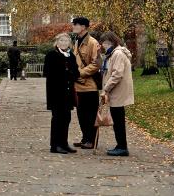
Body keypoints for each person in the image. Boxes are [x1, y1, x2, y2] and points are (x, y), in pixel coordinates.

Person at [95, 31, 134, 156]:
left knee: (118, 120)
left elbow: (117, 74)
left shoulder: (117, 54)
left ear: (111, 42)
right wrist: (98, 54)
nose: (103, 46)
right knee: (117, 119)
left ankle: (122, 147)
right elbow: (103, 69)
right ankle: (120, 145)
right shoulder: (111, 54)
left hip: (117, 91)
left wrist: (106, 89)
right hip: (114, 91)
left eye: (104, 43)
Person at [44, 33, 81, 154]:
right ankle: (55, 145)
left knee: (66, 118)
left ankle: (64, 143)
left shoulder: (71, 56)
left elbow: (76, 72)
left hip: (68, 92)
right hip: (56, 92)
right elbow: (49, 72)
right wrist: (67, 74)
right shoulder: (51, 55)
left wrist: (70, 74)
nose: (64, 43)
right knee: (57, 119)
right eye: (62, 40)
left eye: (66, 41)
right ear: (57, 42)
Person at [71, 16, 100, 149]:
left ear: (83, 27)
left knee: (91, 115)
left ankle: (92, 141)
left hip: (89, 86)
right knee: (81, 115)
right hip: (78, 86)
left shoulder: (92, 43)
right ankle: (85, 138)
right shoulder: (77, 42)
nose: (72, 27)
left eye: (74, 25)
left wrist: (80, 73)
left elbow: (97, 64)